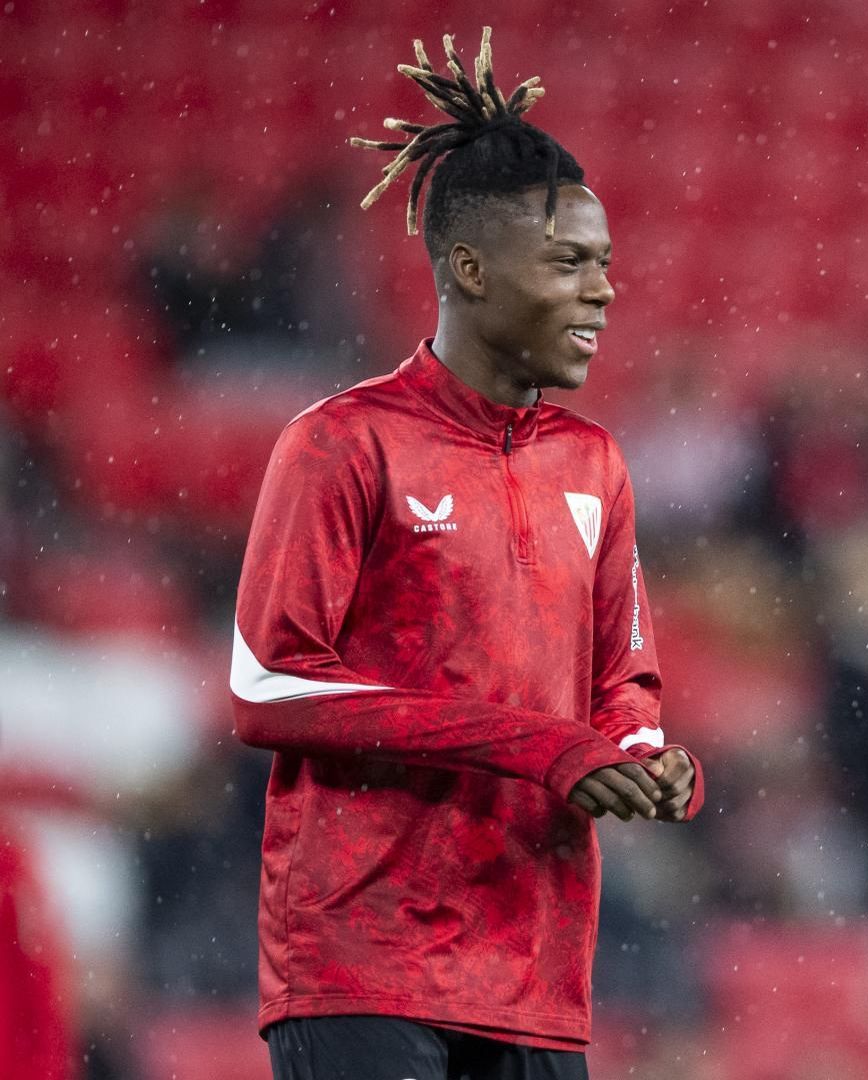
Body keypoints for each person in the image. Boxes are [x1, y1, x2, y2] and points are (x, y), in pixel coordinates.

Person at [230, 29, 703, 1080]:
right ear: (471, 269)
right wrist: (539, 746)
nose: (602, 292)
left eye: (605, 265)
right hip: (362, 957)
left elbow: (622, 687)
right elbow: (268, 687)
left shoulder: (594, 463)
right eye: (570, 263)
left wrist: (641, 760)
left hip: (535, 968)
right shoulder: (342, 443)